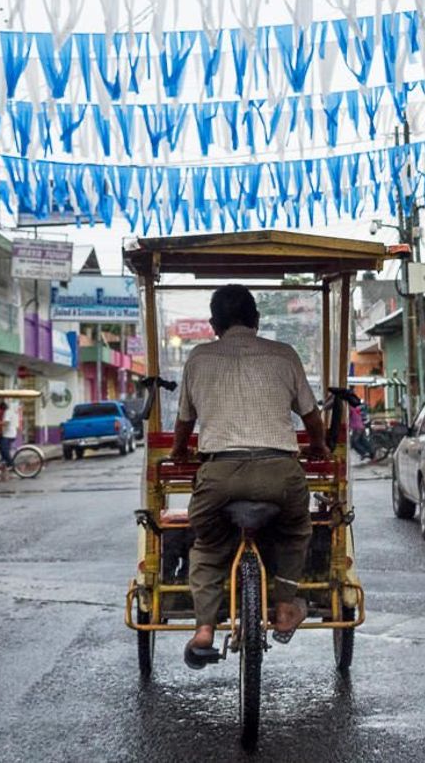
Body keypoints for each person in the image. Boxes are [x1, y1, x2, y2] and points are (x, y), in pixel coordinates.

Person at [170, 284, 330, 671]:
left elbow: (184, 423)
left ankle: (205, 629)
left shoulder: (198, 358)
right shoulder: (284, 354)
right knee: (294, 531)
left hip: (219, 474)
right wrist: (319, 447)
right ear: (257, 320)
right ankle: (287, 604)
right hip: (281, 472)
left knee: (207, 547)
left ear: (212, 325)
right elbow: (311, 417)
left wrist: (177, 452)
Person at [0, 401, 19, 466]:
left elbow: (6, 423)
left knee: (4, 449)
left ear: (3, 408)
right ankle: (4, 459)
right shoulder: (10, 412)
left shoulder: (7, 412)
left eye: (0, 409)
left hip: (8, 435)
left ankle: (10, 463)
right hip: (7, 434)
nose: (0, 411)